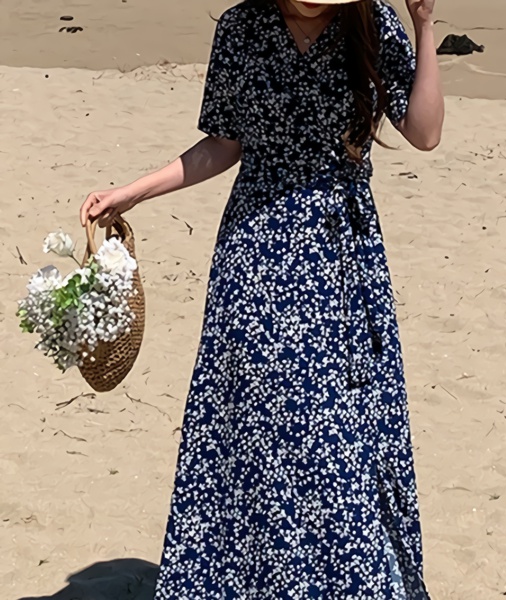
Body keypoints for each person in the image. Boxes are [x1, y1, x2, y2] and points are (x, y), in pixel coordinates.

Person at [80, 0, 443, 596]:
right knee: (257, 427)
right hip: (255, 256)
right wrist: (135, 191)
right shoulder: (242, 28)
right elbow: (224, 144)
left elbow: (425, 133)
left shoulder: (373, 23)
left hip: (342, 261)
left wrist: (424, 26)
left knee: (337, 434)